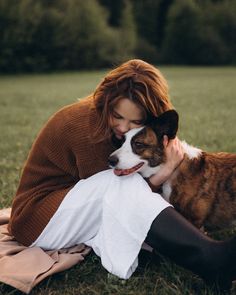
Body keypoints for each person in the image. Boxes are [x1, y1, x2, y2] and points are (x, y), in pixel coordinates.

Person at [8, 59, 236, 291]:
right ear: (107, 101)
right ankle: (212, 259)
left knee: (122, 183)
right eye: (117, 116)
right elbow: (120, 199)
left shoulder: (118, 129)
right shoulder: (86, 127)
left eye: (135, 121)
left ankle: (209, 257)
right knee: (117, 181)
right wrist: (165, 171)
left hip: (70, 207)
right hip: (37, 220)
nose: (124, 127)